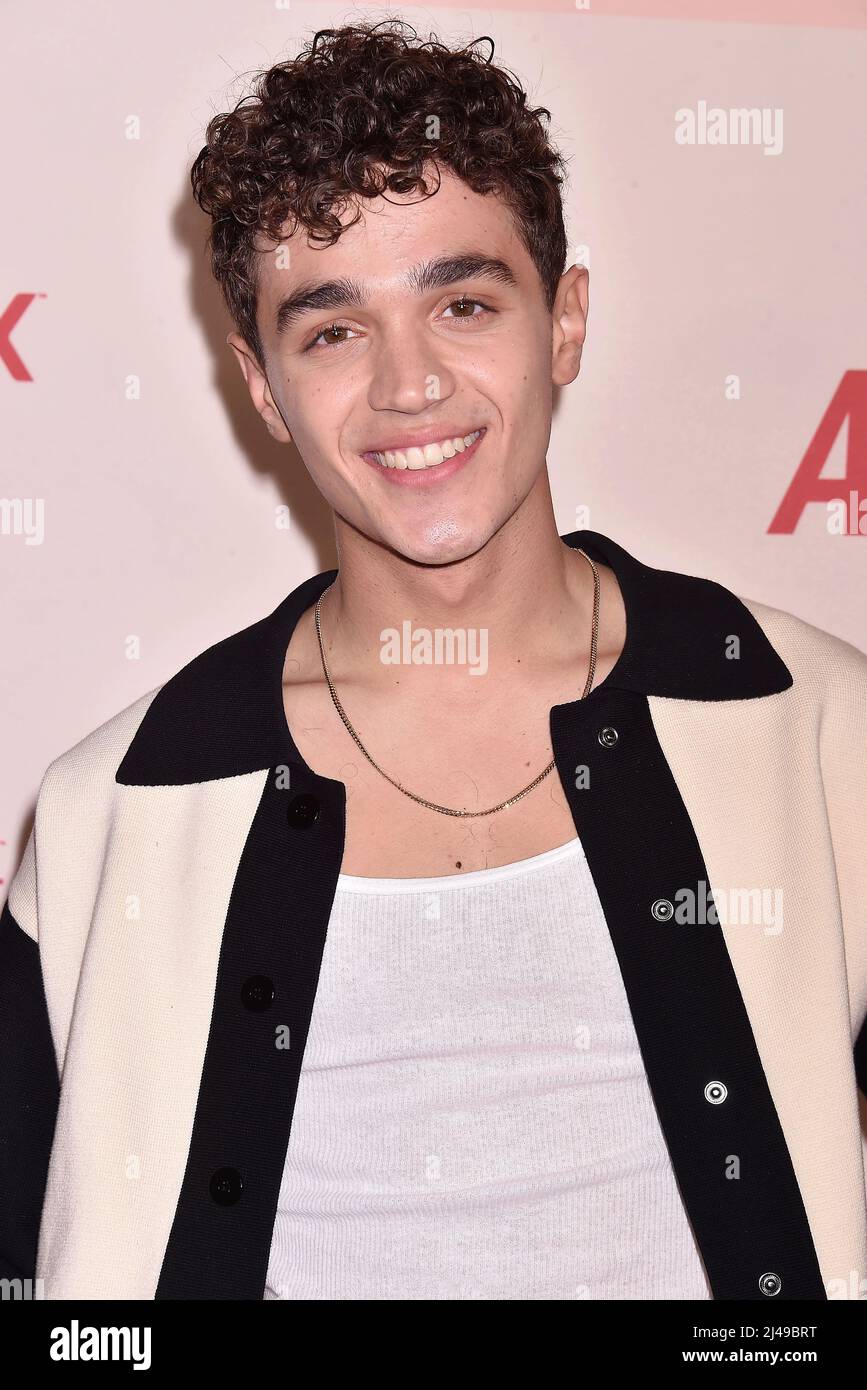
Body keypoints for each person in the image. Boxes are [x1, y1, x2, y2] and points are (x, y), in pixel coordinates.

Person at [2, 19, 865, 1302]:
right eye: (332, 329)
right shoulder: (114, 814)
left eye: (463, 303)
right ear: (260, 383)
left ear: (565, 321)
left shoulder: (816, 730)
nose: (410, 386)